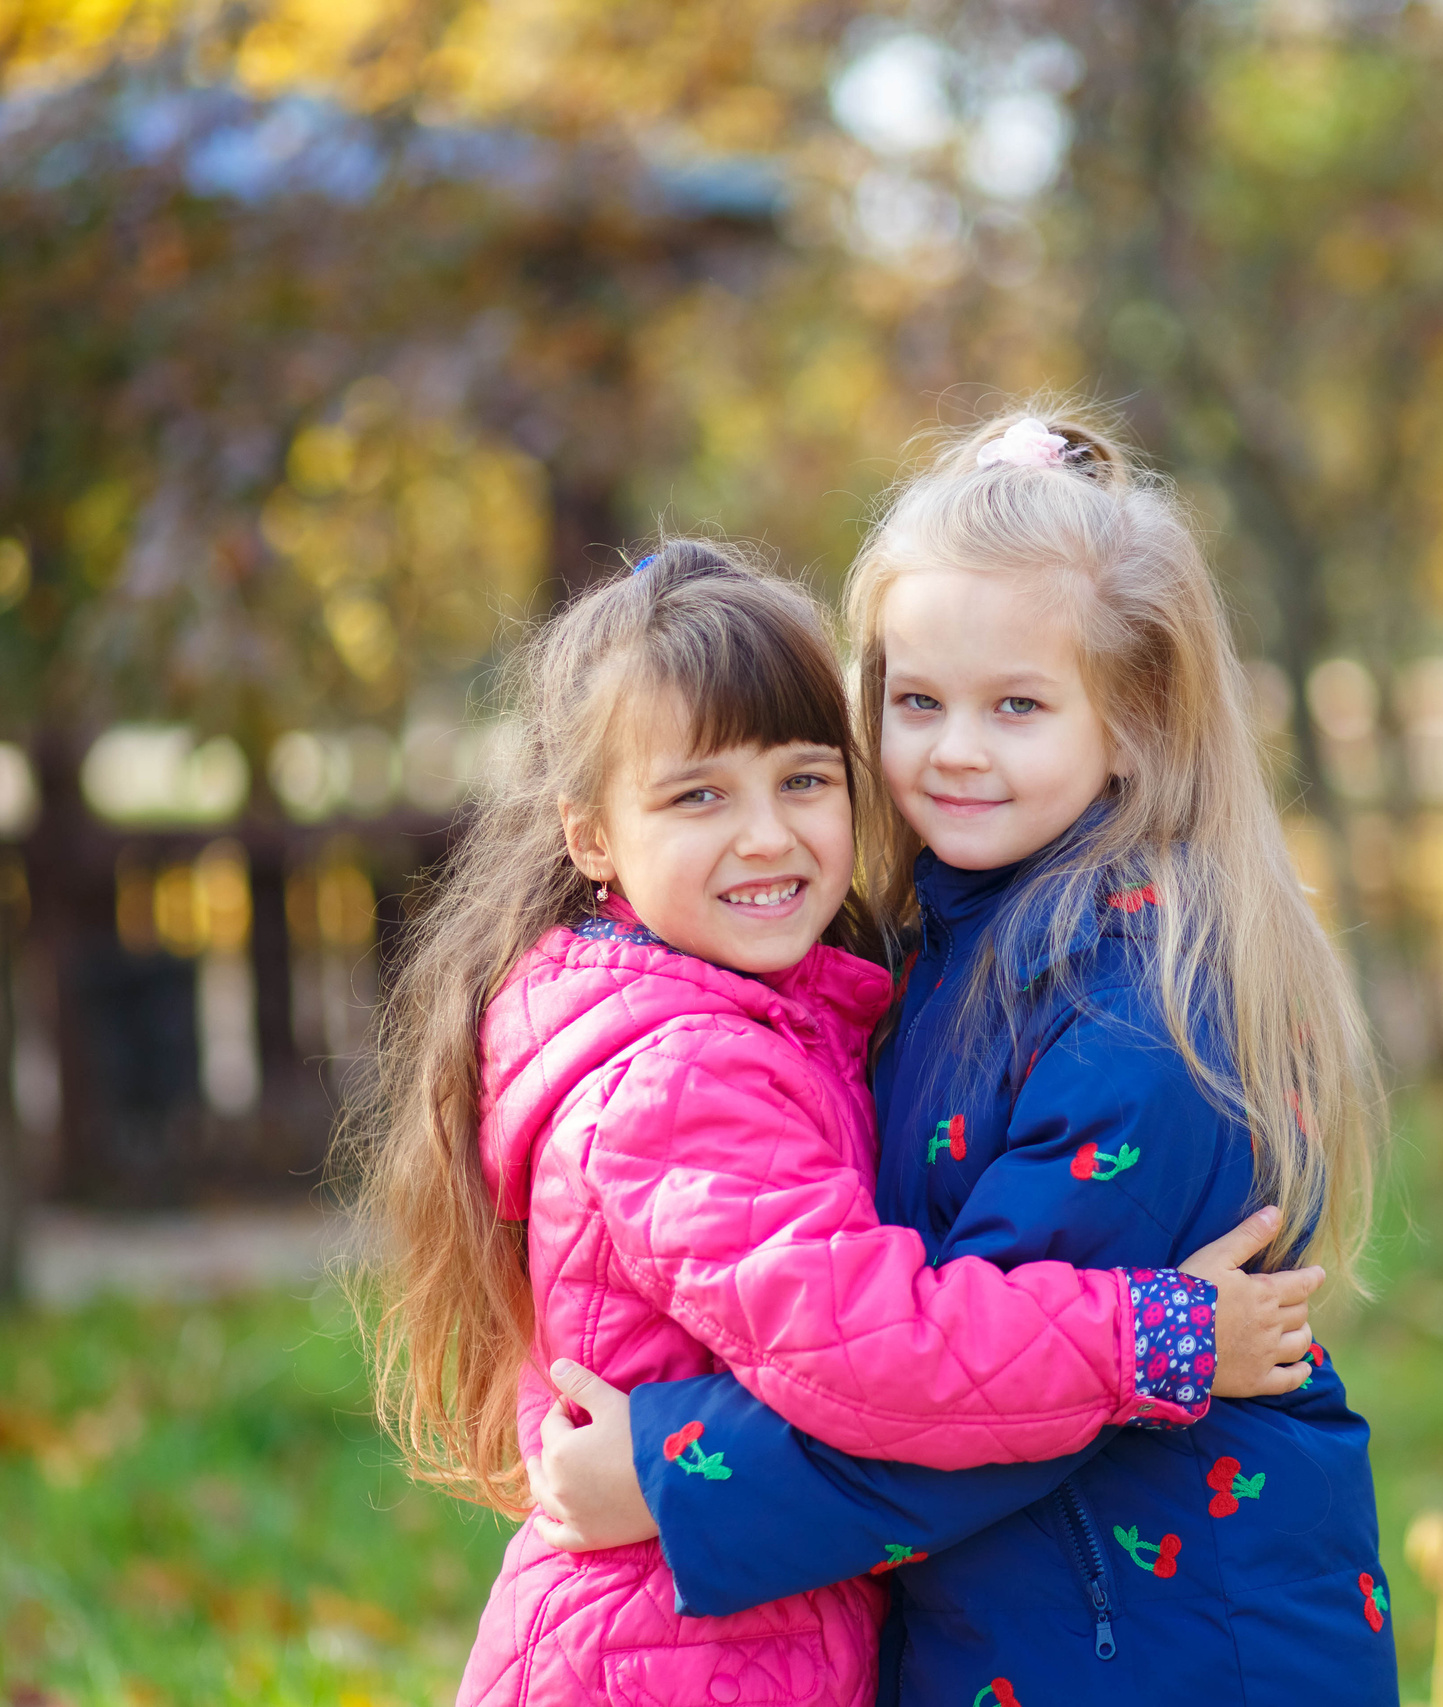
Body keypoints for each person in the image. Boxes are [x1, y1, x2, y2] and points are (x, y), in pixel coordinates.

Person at [345, 541, 1323, 1706]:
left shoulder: (786, 1013)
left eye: (803, 779)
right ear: (591, 836)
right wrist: (1158, 1338)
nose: (767, 834)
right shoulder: (680, 1079)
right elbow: (879, 1351)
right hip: (674, 1662)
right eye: (699, 795)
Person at [533, 414, 1395, 1705]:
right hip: (1037, 1627)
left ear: (1136, 721)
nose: (955, 750)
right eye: (917, 701)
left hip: (1165, 1645)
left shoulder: (1141, 1008)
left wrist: (670, 1478)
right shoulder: (940, 938)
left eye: (1017, 707)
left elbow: (972, 1397)